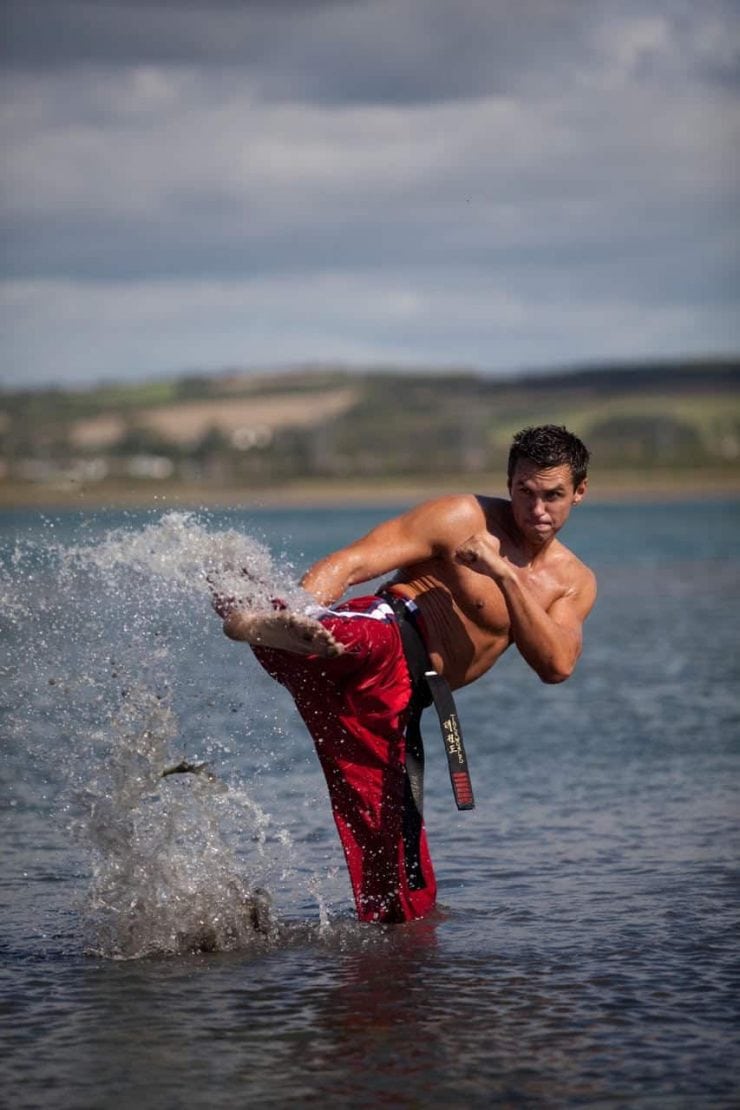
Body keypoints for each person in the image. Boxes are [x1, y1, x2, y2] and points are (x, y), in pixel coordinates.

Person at [216, 424, 597, 924]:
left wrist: (504, 573)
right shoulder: (462, 516)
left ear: (580, 493)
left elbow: (556, 666)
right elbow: (352, 563)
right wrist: (308, 609)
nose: (537, 510)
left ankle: (391, 977)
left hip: (397, 705)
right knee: (350, 637)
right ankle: (276, 614)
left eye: (553, 496)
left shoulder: (573, 583)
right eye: (525, 492)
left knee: (397, 874)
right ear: (509, 483)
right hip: (386, 635)